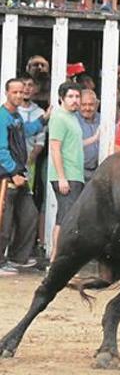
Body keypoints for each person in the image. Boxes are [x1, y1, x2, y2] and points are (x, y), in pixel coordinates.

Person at [0, 79, 49, 276]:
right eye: (15, 92)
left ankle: (17, 258)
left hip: (20, 176)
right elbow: (1, 150)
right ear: (6, 93)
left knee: (30, 214)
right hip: (6, 178)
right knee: (4, 220)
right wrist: (13, 173)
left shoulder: (16, 116)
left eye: (21, 92)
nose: (19, 95)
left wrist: (43, 120)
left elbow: (26, 131)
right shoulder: (2, 117)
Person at [48, 81, 84, 262]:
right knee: (65, 218)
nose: (75, 100)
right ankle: (56, 260)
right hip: (66, 176)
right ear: (62, 98)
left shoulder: (72, 117)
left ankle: (57, 260)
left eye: (77, 96)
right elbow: (55, 148)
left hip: (74, 175)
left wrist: (94, 139)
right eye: (70, 96)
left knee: (65, 217)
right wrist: (62, 178)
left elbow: (73, 145)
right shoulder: (59, 117)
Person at [77, 89, 101, 182]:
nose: (87, 108)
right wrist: (94, 138)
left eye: (91, 104)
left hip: (98, 172)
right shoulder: (73, 121)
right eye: (84, 104)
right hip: (78, 172)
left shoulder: (103, 119)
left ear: (97, 104)